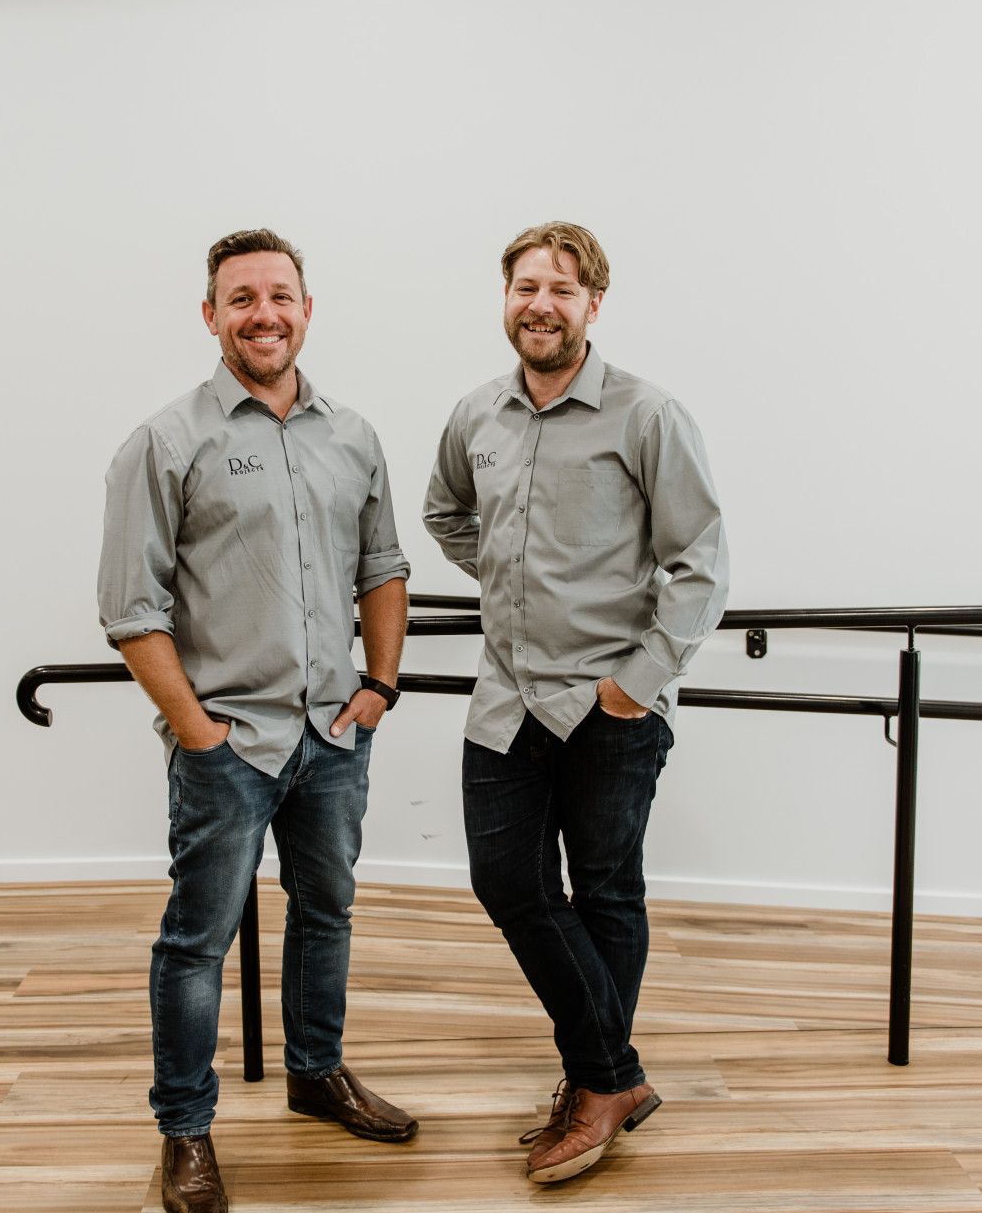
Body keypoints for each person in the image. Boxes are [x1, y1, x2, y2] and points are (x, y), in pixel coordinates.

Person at [100, 229, 418, 1213]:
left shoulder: (353, 435)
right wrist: (197, 733)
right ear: (211, 316)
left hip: (333, 736)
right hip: (230, 744)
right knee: (196, 942)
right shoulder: (166, 441)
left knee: (327, 913)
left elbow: (383, 566)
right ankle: (185, 1131)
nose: (264, 314)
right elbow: (131, 608)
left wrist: (379, 686)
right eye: (241, 299)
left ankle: (316, 1074)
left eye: (281, 296)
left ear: (307, 310)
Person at [423, 221, 729, 1184]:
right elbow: (444, 512)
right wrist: (512, 578)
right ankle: (613, 1076)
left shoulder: (648, 415)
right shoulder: (476, 414)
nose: (541, 304)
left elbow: (701, 563)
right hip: (506, 699)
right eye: (526, 286)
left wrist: (636, 684)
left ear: (594, 303)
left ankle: (592, 1085)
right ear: (505, 298)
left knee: (605, 891)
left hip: (610, 704)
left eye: (561, 288)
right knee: (506, 881)